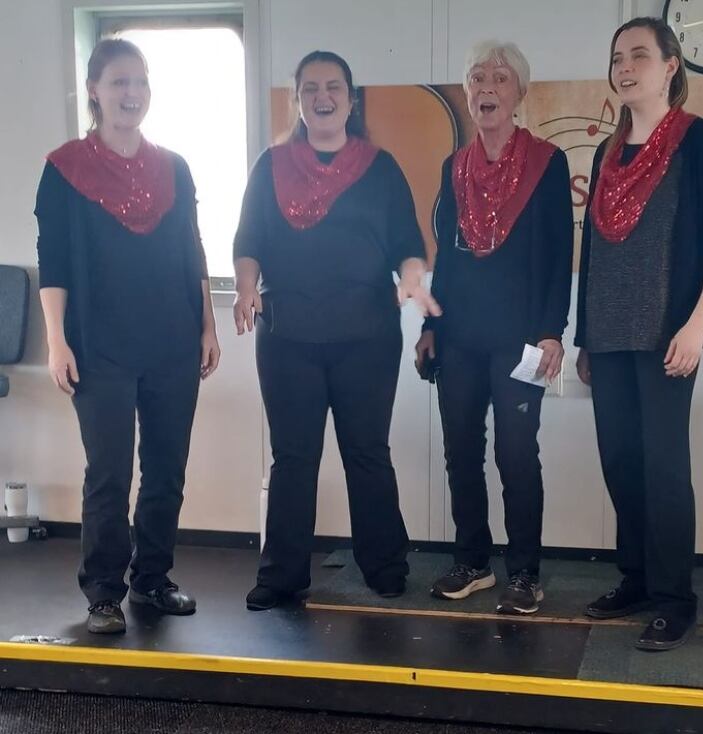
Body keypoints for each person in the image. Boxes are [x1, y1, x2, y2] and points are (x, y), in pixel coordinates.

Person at [233, 50, 439, 611]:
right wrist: (247, 286)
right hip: (288, 337)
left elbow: (408, 246)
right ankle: (281, 576)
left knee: (367, 453)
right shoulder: (270, 165)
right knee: (293, 458)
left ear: (351, 98)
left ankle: (385, 567)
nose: (322, 97)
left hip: (366, 338)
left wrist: (414, 281)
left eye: (333, 87)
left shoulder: (381, 166)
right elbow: (248, 241)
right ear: (298, 100)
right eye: (310, 88)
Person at [35, 39, 220, 634]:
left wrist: (207, 327)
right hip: (99, 346)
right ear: (94, 89)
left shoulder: (175, 166)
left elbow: (193, 250)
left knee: (167, 469)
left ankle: (152, 580)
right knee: (109, 474)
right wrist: (56, 341)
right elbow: (54, 261)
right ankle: (104, 593)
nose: (130, 93)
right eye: (118, 82)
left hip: (172, 340)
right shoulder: (64, 167)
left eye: (139, 82)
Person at [575, 17, 703, 651]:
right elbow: (593, 250)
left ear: (671, 66)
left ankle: (676, 598)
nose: (625, 67)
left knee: (665, 468)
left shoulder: (701, 143)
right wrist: (586, 335)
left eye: (639, 55)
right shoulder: (606, 150)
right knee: (621, 462)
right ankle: (638, 579)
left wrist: (697, 327)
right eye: (618, 56)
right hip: (610, 338)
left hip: (669, 336)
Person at [415, 41, 573, 615]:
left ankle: (525, 573)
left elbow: (561, 255)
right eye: (478, 77)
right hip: (458, 336)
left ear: (518, 94)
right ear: (466, 93)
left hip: (521, 340)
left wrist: (552, 331)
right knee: (461, 450)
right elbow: (448, 259)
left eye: (500, 78)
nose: (487, 87)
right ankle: (472, 562)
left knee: (515, 454)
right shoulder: (452, 167)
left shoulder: (548, 163)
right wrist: (431, 326)